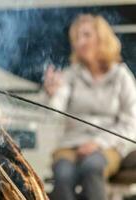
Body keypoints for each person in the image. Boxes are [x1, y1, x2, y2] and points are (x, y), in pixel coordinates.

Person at [44, 14, 136, 200]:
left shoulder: (121, 76)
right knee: (62, 174)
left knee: (92, 167)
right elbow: (55, 112)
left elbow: (131, 123)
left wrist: (98, 143)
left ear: (102, 38)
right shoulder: (71, 75)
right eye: (76, 38)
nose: (80, 42)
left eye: (86, 35)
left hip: (108, 144)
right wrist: (52, 94)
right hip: (71, 144)